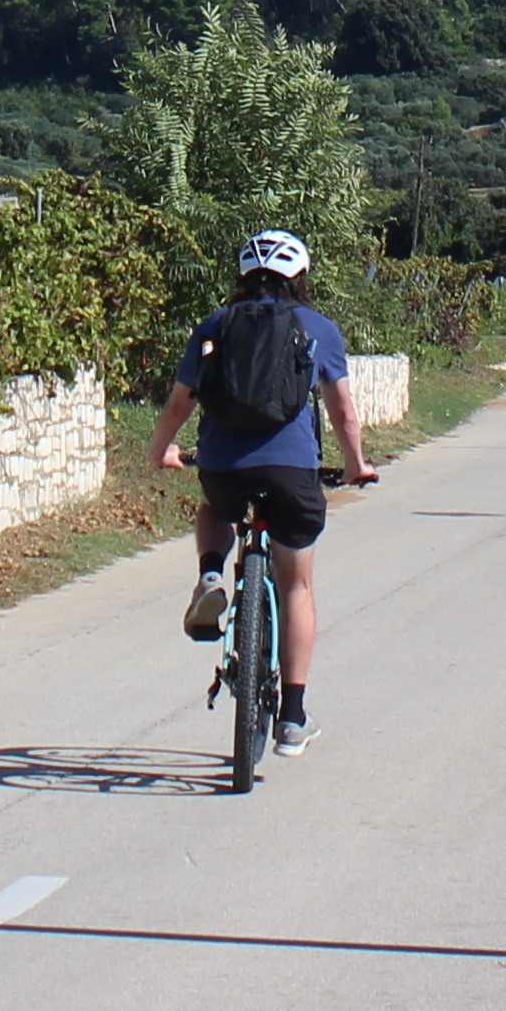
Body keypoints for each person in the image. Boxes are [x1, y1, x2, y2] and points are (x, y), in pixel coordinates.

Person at [147, 228, 374, 750]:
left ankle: (209, 575)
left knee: (213, 505)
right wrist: (357, 464)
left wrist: (160, 450)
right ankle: (292, 718)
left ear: (243, 275)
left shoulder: (214, 326)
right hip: (292, 474)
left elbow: (181, 403)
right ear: (300, 277)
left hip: (224, 468)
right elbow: (342, 411)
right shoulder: (318, 329)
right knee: (295, 586)